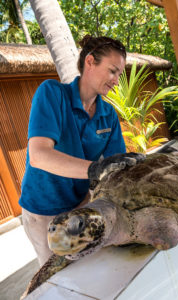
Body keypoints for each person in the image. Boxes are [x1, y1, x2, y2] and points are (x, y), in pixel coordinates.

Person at [19, 35, 145, 266]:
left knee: (91, 271)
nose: (116, 80)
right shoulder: (52, 94)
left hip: (82, 206)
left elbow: (117, 169)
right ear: (90, 62)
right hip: (43, 210)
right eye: (112, 71)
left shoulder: (108, 115)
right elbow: (39, 156)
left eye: (119, 74)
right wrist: (97, 169)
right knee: (59, 278)